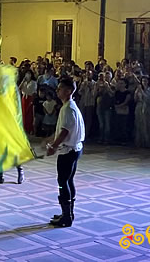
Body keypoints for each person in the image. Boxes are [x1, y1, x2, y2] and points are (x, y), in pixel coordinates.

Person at [45, 78, 85, 228]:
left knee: (63, 183)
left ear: (68, 91)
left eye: (60, 88)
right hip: (75, 149)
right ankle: (68, 212)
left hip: (68, 151)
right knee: (68, 181)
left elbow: (65, 131)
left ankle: (66, 216)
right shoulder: (70, 107)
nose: (57, 91)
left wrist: (53, 146)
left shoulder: (68, 109)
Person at [134, 76, 150, 148]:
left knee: (146, 125)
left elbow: (149, 99)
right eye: (143, 81)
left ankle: (147, 143)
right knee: (138, 124)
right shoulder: (139, 89)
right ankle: (139, 142)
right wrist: (137, 92)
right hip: (139, 106)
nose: (144, 82)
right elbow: (135, 99)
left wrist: (142, 92)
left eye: (145, 81)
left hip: (147, 107)